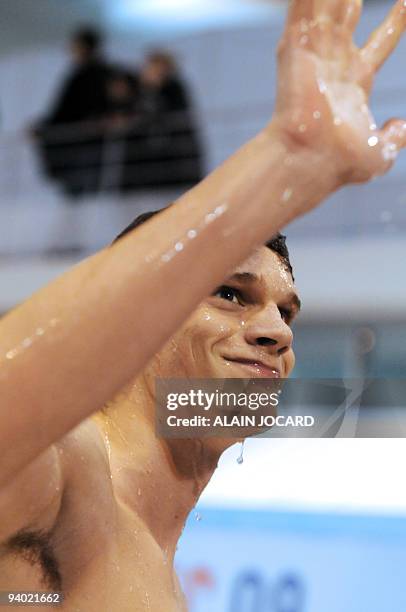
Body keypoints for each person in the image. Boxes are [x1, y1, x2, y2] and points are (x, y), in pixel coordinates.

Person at [1, 1, 406, 609]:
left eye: (286, 312)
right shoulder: (68, 477)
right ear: (136, 323)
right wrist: (278, 164)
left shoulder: (157, 559)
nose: (276, 331)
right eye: (230, 293)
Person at [33, 27, 112, 197]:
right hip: (83, 142)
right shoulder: (97, 72)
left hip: (82, 142)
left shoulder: (89, 75)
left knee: (83, 190)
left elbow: (68, 110)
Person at [119, 51, 203, 191]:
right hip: (147, 161)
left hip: (173, 160)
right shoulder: (140, 90)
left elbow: (174, 117)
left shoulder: (173, 88)